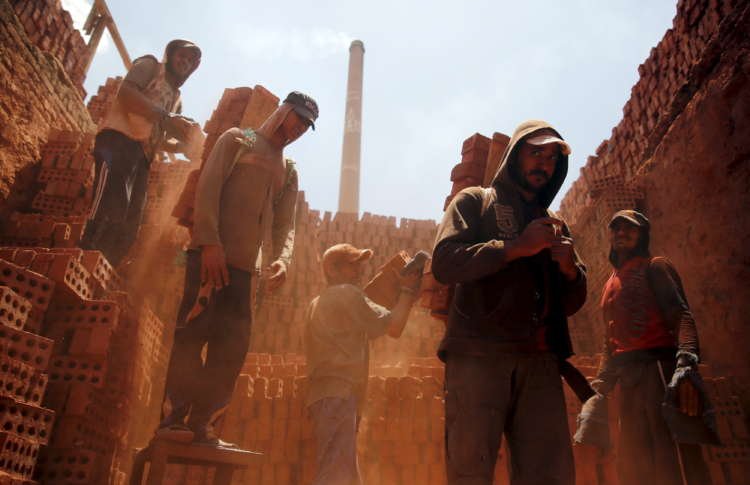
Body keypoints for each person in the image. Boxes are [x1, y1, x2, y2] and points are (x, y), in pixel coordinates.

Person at [157, 92, 318, 446]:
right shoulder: (238, 140)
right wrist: (210, 242)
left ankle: (204, 425)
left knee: (231, 349)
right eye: (298, 120)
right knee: (192, 336)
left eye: (306, 127)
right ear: (283, 112)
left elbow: (285, 225)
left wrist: (283, 259)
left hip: (248, 275)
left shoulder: (288, 170)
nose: (299, 130)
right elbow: (208, 190)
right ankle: (174, 418)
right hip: (210, 260)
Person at [432, 120, 587, 485]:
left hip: (540, 363)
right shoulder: (475, 201)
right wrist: (514, 248)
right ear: (516, 156)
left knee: (550, 474)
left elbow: (573, 301)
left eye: (552, 158)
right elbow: (444, 262)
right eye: (536, 152)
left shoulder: (554, 225)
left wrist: (569, 271)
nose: (544, 164)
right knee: (470, 470)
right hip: (477, 358)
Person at [574, 210, 713, 485]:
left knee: (673, 454)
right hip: (627, 380)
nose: (621, 233)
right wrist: (603, 381)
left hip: (659, 371)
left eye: (630, 229)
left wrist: (686, 362)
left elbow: (681, 315)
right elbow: (610, 338)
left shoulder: (655, 267)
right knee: (636, 459)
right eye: (616, 229)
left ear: (642, 235)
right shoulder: (610, 284)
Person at [305, 243, 422, 485]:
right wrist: (408, 290)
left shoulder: (317, 302)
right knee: (335, 475)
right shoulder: (347, 294)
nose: (359, 271)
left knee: (346, 475)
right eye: (353, 265)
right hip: (338, 395)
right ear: (333, 270)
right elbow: (395, 327)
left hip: (325, 397)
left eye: (360, 265)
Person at [82, 39, 202, 265]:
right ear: (171, 54)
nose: (185, 62)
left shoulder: (176, 99)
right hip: (118, 142)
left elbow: (157, 137)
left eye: (190, 61)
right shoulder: (151, 66)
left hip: (142, 158)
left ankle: (101, 271)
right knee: (110, 206)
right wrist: (165, 117)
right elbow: (126, 93)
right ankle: (82, 259)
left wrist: (180, 147)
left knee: (129, 223)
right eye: (182, 56)